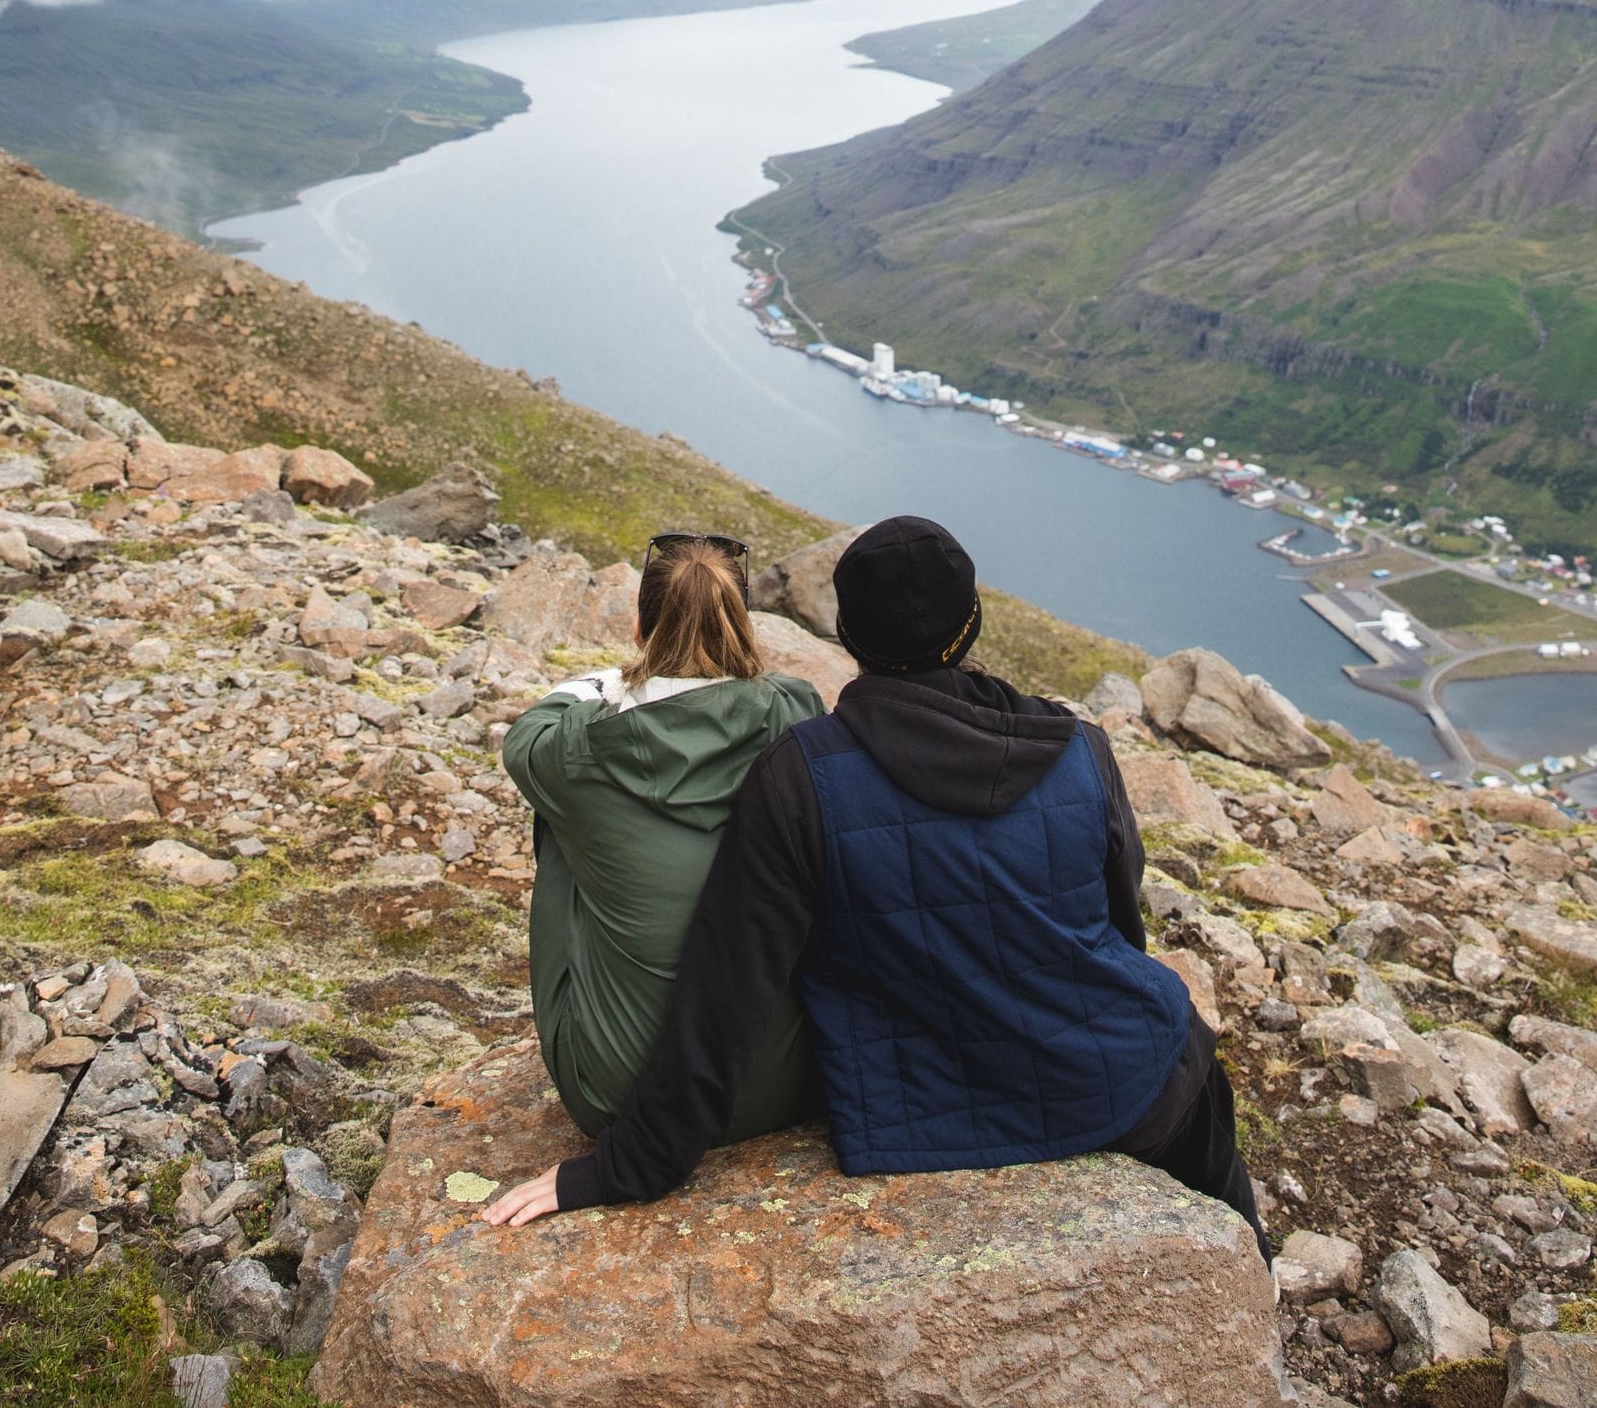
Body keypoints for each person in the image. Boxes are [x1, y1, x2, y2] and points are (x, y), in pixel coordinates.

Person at [484, 513, 1269, 1264]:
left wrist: (625, 1167)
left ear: (848, 636)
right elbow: (1115, 920)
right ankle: (1255, 1273)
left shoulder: (802, 777)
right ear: (972, 626)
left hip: (928, 1111)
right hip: (1133, 1078)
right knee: (1220, 1157)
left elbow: (727, 991)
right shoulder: (1081, 748)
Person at [500, 530, 825, 1144]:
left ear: (639, 626)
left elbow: (530, 731)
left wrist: (617, 682)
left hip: (621, 1099)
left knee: (567, 822)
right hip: (787, 1084)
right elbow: (781, 686)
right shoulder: (794, 715)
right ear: (742, 625)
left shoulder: (570, 750)